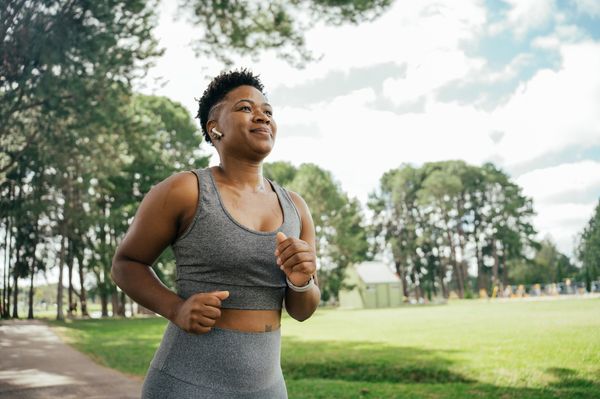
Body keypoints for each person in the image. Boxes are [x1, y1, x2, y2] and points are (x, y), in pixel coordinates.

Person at [111, 69, 321, 398]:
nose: (262, 117)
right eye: (245, 108)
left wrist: (301, 280)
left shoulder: (296, 207)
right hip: (187, 384)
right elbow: (126, 263)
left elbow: (303, 310)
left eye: (268, 111)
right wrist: (175, 308)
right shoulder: (185, 190)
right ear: (215, 128)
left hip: (268, 389)